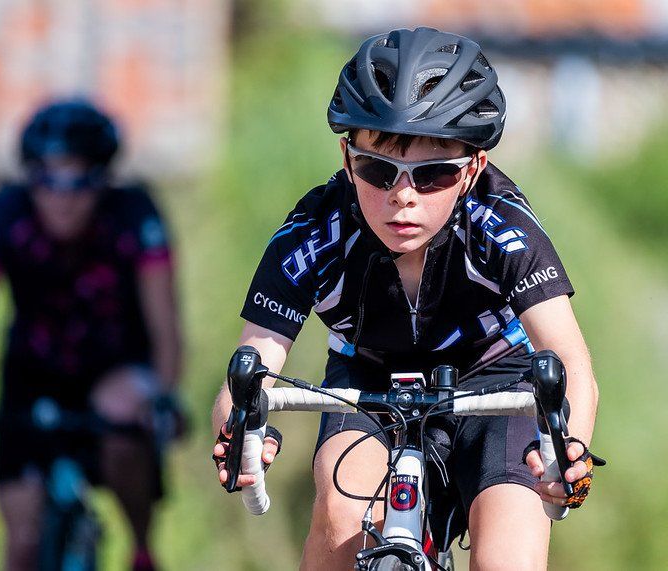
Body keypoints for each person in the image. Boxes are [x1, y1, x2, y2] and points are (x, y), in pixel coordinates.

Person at [212, 27, 602, 569]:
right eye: (379, 170)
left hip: (495, 380)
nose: (403, 197)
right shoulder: (315, 230)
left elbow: (569, 360)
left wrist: (569, 455)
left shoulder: (501, 227)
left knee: (507, 556)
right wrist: (240, 435)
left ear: (472, 169)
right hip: (369, 379)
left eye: (434, 175)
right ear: (348, 160)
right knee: (338, 522)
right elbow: (249, 367)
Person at [0, 99, 182, 571]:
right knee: (23, 541)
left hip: (115, 367)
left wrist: (163, 396)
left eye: (80, 182)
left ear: (103, 181)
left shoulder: (134, 215)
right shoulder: (1, 214)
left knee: (120, 409)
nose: (62, 197)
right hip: (31, 373)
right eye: (47, 181)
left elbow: (166, 328)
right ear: (29, 178)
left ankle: (141, 548)